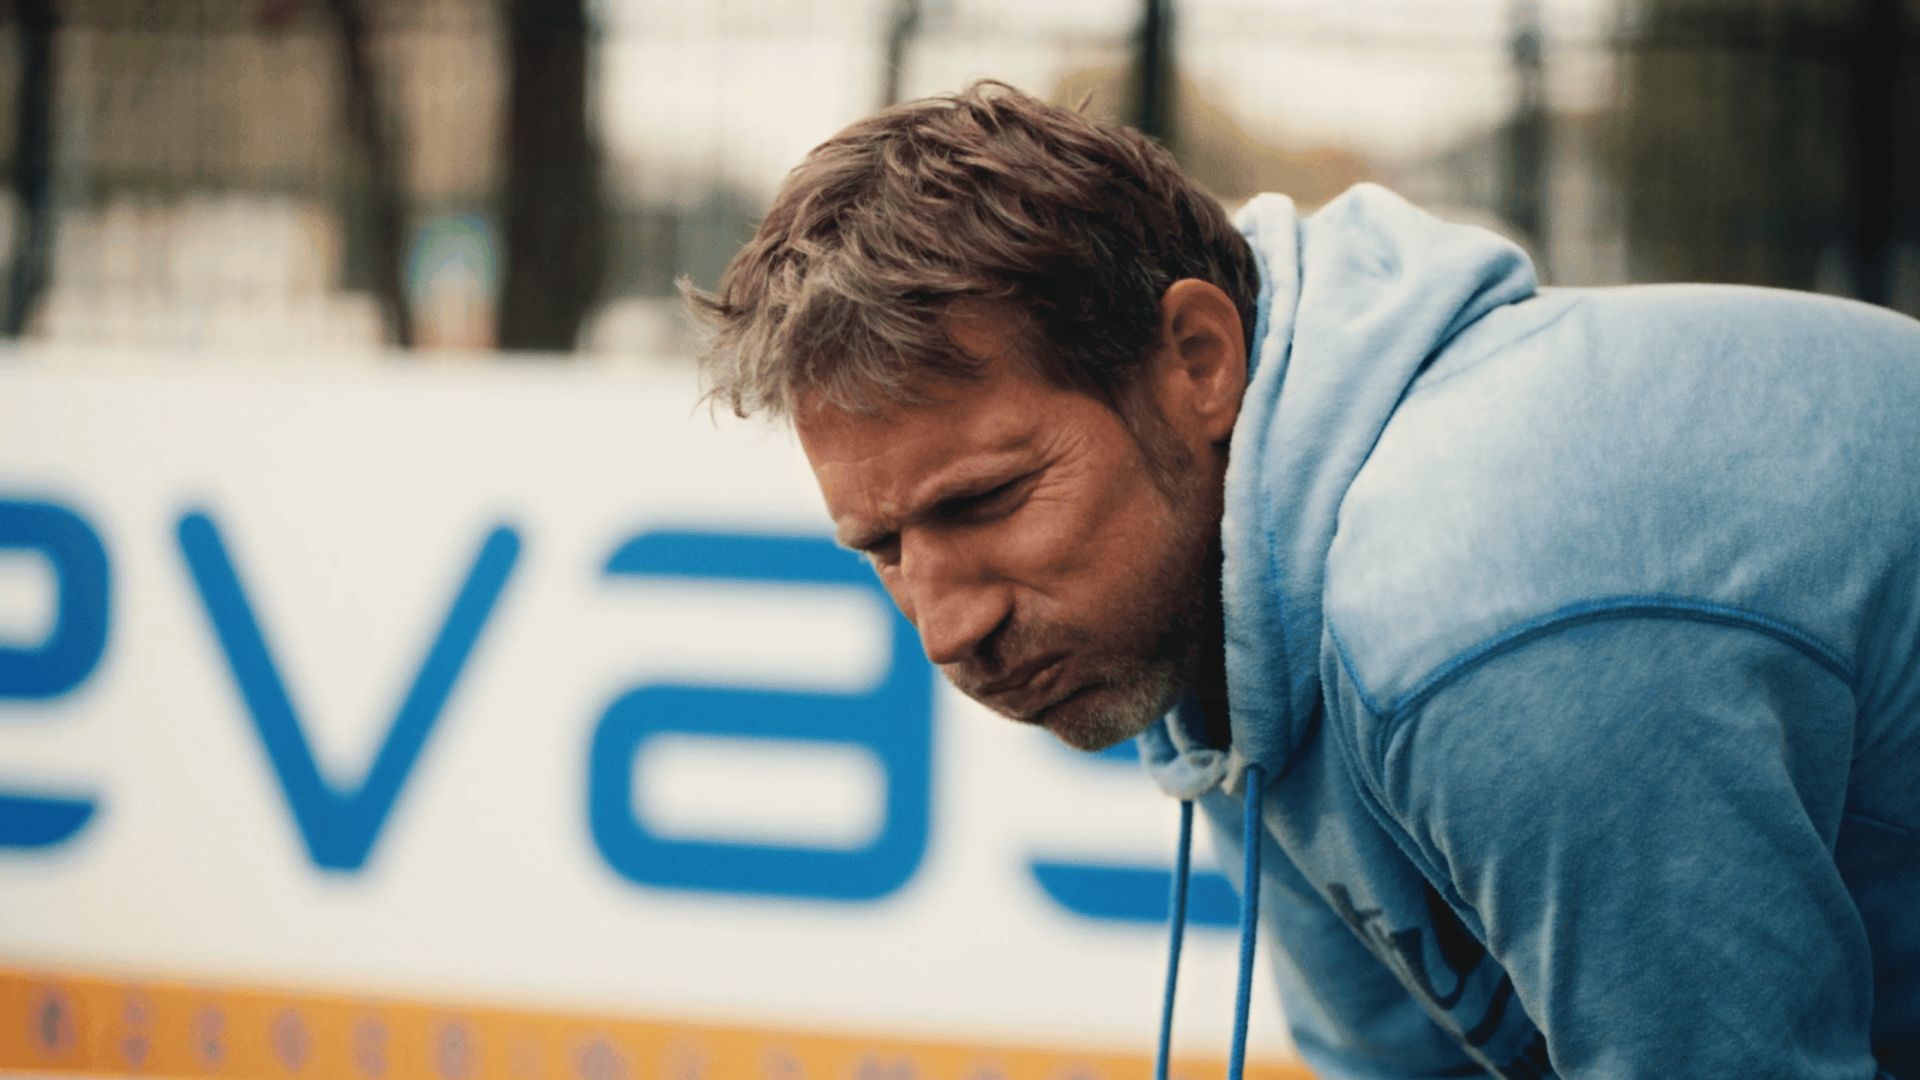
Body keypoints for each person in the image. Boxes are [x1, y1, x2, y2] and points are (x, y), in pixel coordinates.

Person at [685, 81, 1920, 1079]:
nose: (947, 625)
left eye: (987, 499)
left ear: (1197, 359)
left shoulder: (1471, 628)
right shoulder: (1222, 617)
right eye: (886, 549)